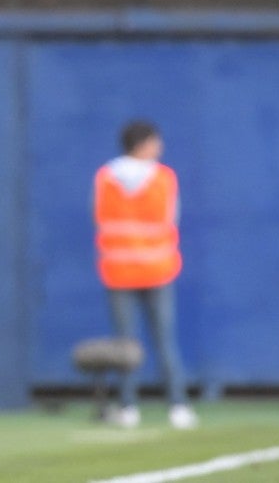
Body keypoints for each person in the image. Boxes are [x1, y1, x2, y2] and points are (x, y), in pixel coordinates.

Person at [92, 121, 197, 430]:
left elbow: (99, 217)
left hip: (119, 269)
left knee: (126, 346)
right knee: (165, 341)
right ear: (143, 144)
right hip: (156, 268)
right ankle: (178, 405)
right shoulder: (163, 178)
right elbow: (171, 218)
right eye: (155, 142)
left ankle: (128, 407)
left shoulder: (105, 177)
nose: (159, 147)